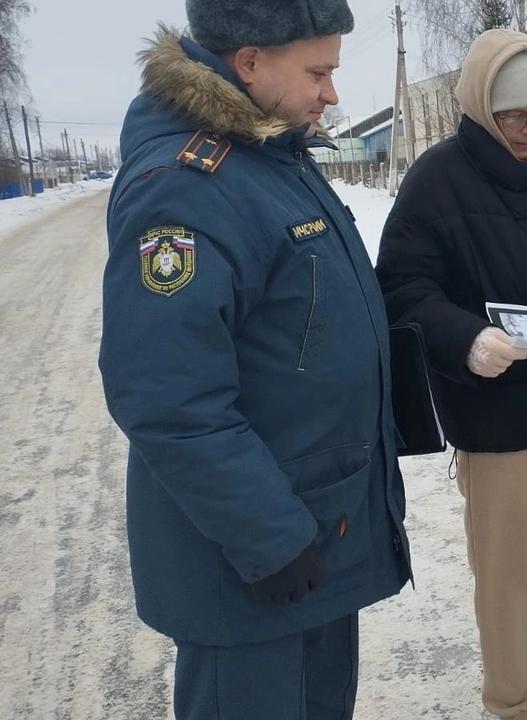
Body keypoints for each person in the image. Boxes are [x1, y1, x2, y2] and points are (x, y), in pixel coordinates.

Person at [98, 2, 413, 719]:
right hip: (257, 564)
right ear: (249, 63)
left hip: (309, 540)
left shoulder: (270, 159)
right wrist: (269, 539)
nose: (331, 94)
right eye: (319, 72)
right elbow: (164, 397)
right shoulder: (189, 188)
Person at [376, 29, 527, 720]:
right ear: (483, 107)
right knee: (506, 581)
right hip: (496, 418)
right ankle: (511, 704)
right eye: (516, 115)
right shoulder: (436, 179)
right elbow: (400, 286)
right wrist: (466, 339)